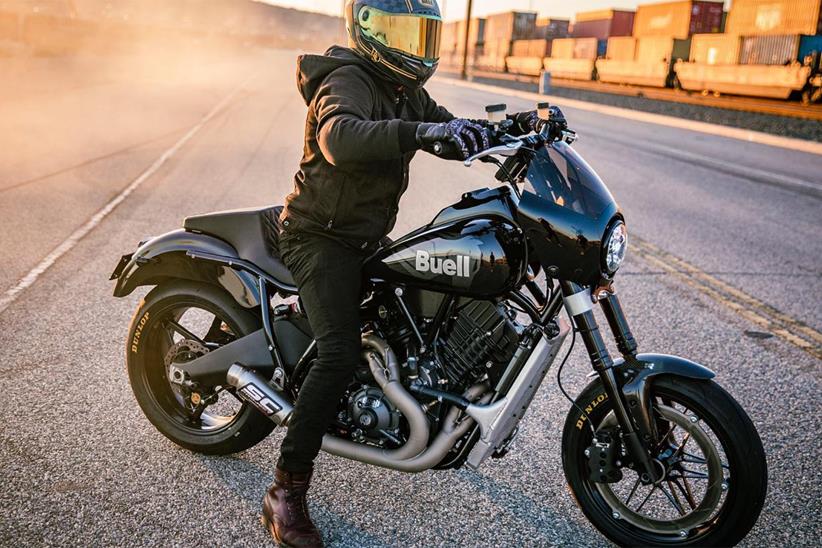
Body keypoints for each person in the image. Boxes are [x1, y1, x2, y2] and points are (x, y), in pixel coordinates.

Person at [262, 1, 542, 545]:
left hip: (365, 237)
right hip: (319, 237)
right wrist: (417, 133)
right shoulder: (344, 78)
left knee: (429, 299)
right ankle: (285, 491)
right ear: (366, 29)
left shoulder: (402, 89)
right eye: (399, 31)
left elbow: (449, 128)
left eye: (421, 33)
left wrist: (510, 130)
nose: (412, 45)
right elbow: (338, 138)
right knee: (339, 352)